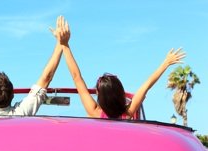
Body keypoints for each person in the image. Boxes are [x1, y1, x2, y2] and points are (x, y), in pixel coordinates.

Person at [58, 16, 186, 119]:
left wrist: (64, 45)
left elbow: (77, 77)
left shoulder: (94, 112)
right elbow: (146, 85)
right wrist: (165, 63)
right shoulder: (128, 113)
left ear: (99, 96)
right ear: (120, 93)